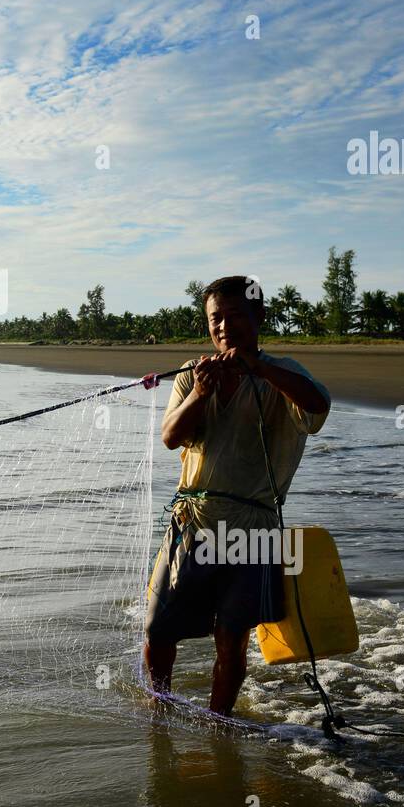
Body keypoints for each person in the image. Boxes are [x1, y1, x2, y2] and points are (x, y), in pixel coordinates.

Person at [144, 275, 331, 715]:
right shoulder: (193, 374)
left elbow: (317, 406)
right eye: (216, 319)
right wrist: (201, 394)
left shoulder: (284, 372)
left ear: (258, 318)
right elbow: (171, 437)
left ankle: (218, 724)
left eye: (234, 317)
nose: (224, 327)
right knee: (158, 628)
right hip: (194, 519)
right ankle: (160, 715)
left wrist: (258, 367)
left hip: (254, 528)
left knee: (231, 637)